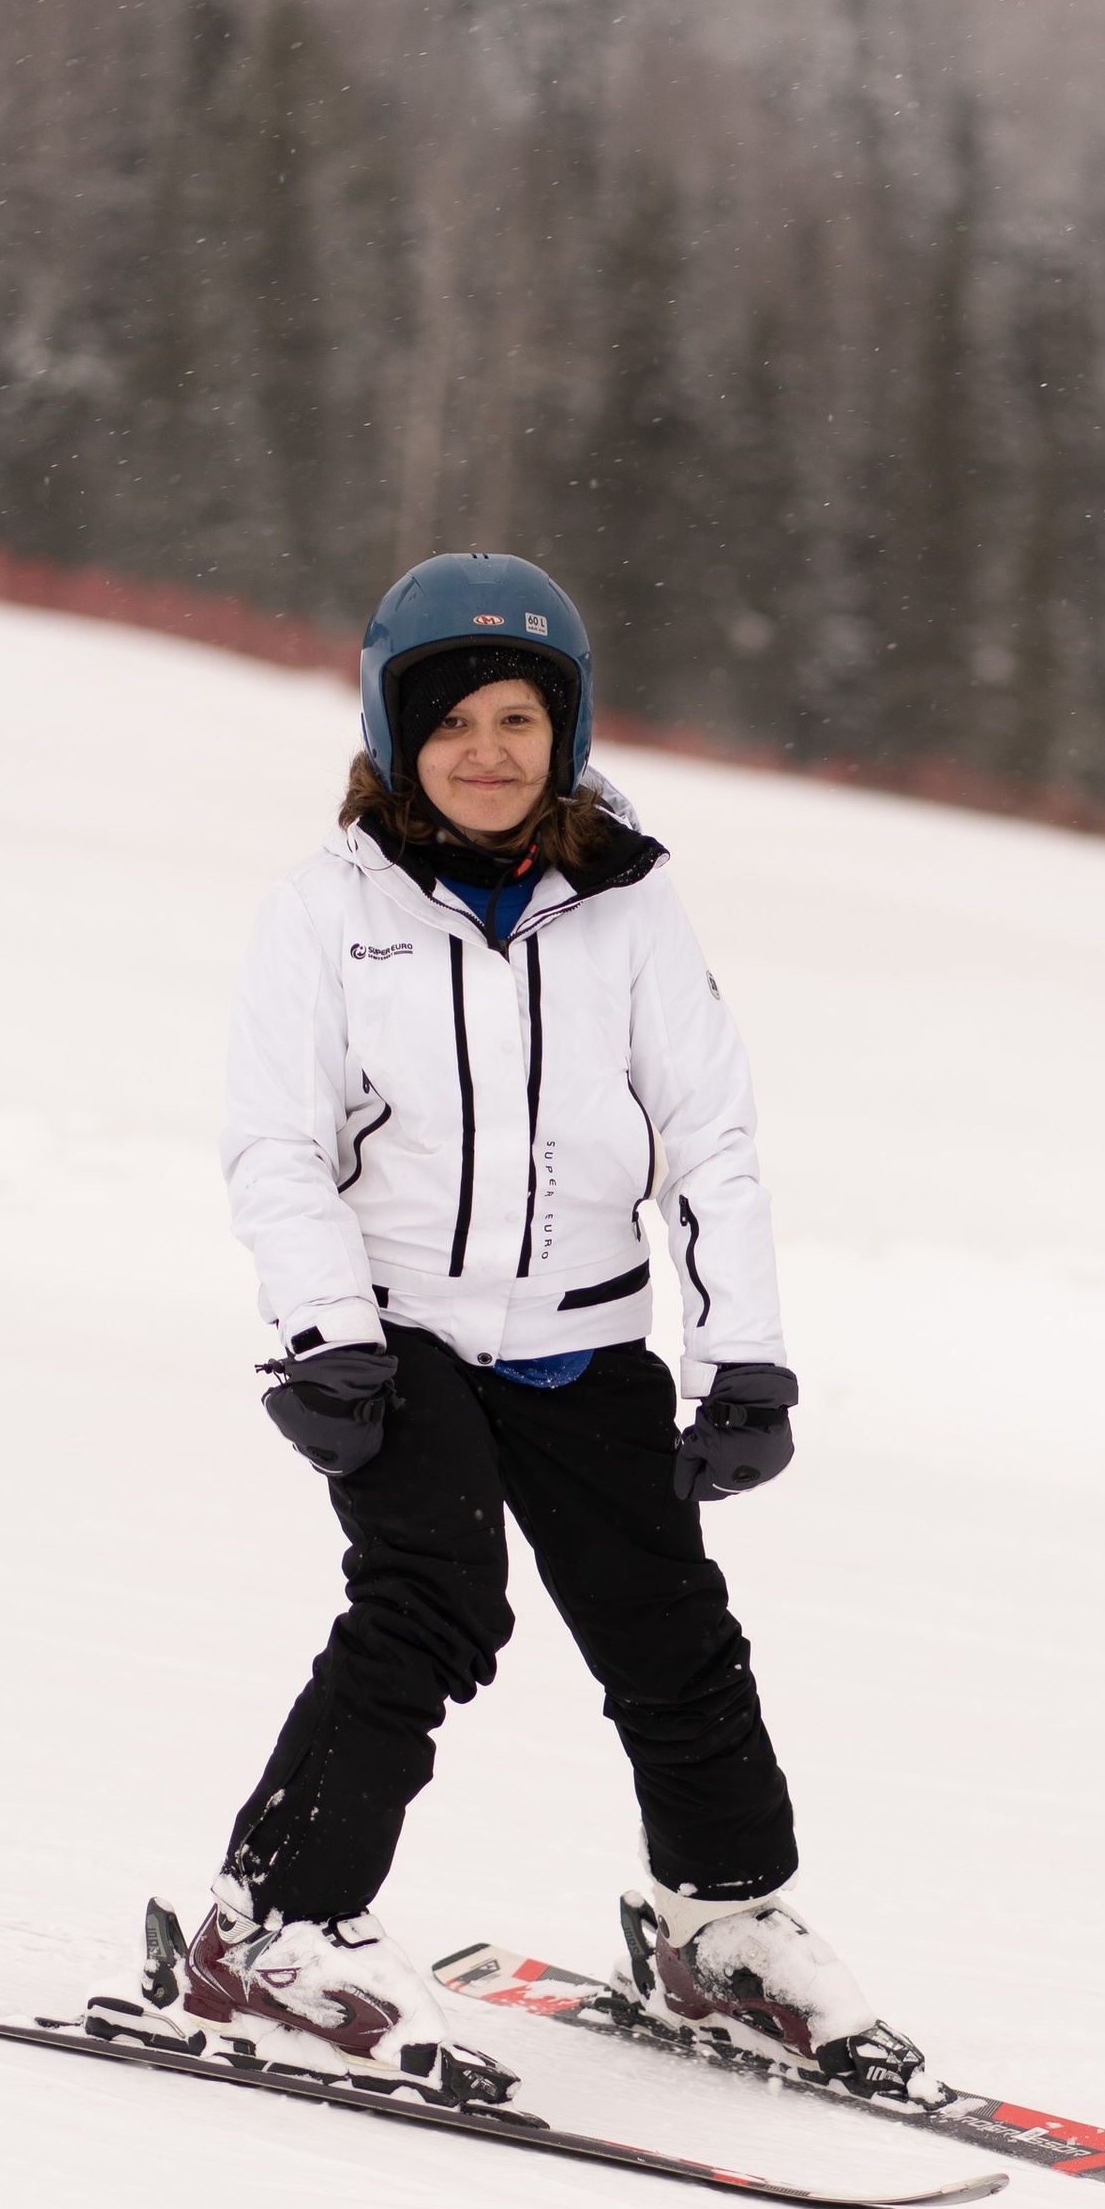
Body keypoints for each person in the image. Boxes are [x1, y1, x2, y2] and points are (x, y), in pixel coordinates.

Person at [181, 549, 926, 2100]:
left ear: (565, 732)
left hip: (584, 1336)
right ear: (393, 735)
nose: (487, 751)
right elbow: (278, 1143)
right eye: (451, 720)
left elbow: (708, 1140)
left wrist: (745, 1363)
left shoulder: (632, 911)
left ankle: (714, 1923)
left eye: (520, 717)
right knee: (432, 1603)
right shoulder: (327, 913)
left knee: (671, 1631)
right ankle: (273, 1927)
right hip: (401, 1341)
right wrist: (326, 1333)